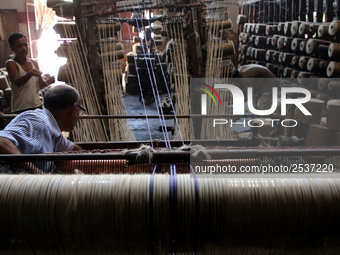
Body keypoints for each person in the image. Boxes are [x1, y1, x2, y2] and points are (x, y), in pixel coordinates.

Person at [0, 84, 83, 173]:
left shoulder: (53, 130)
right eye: (80, 111)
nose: (80, 115)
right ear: (72, 109)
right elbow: (1, 141)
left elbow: (70, 148)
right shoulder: (38, 122)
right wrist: (39, 176)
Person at [6, 33, 55, 114]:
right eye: (19, 46)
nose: (24, 48)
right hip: (20, 108)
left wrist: (49, 81)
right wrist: (29, 74)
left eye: (25, 45)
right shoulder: (11, 63)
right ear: (12, 48)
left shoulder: (34, 63)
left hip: (37, 105)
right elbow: (17, 82)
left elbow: (39, 85)